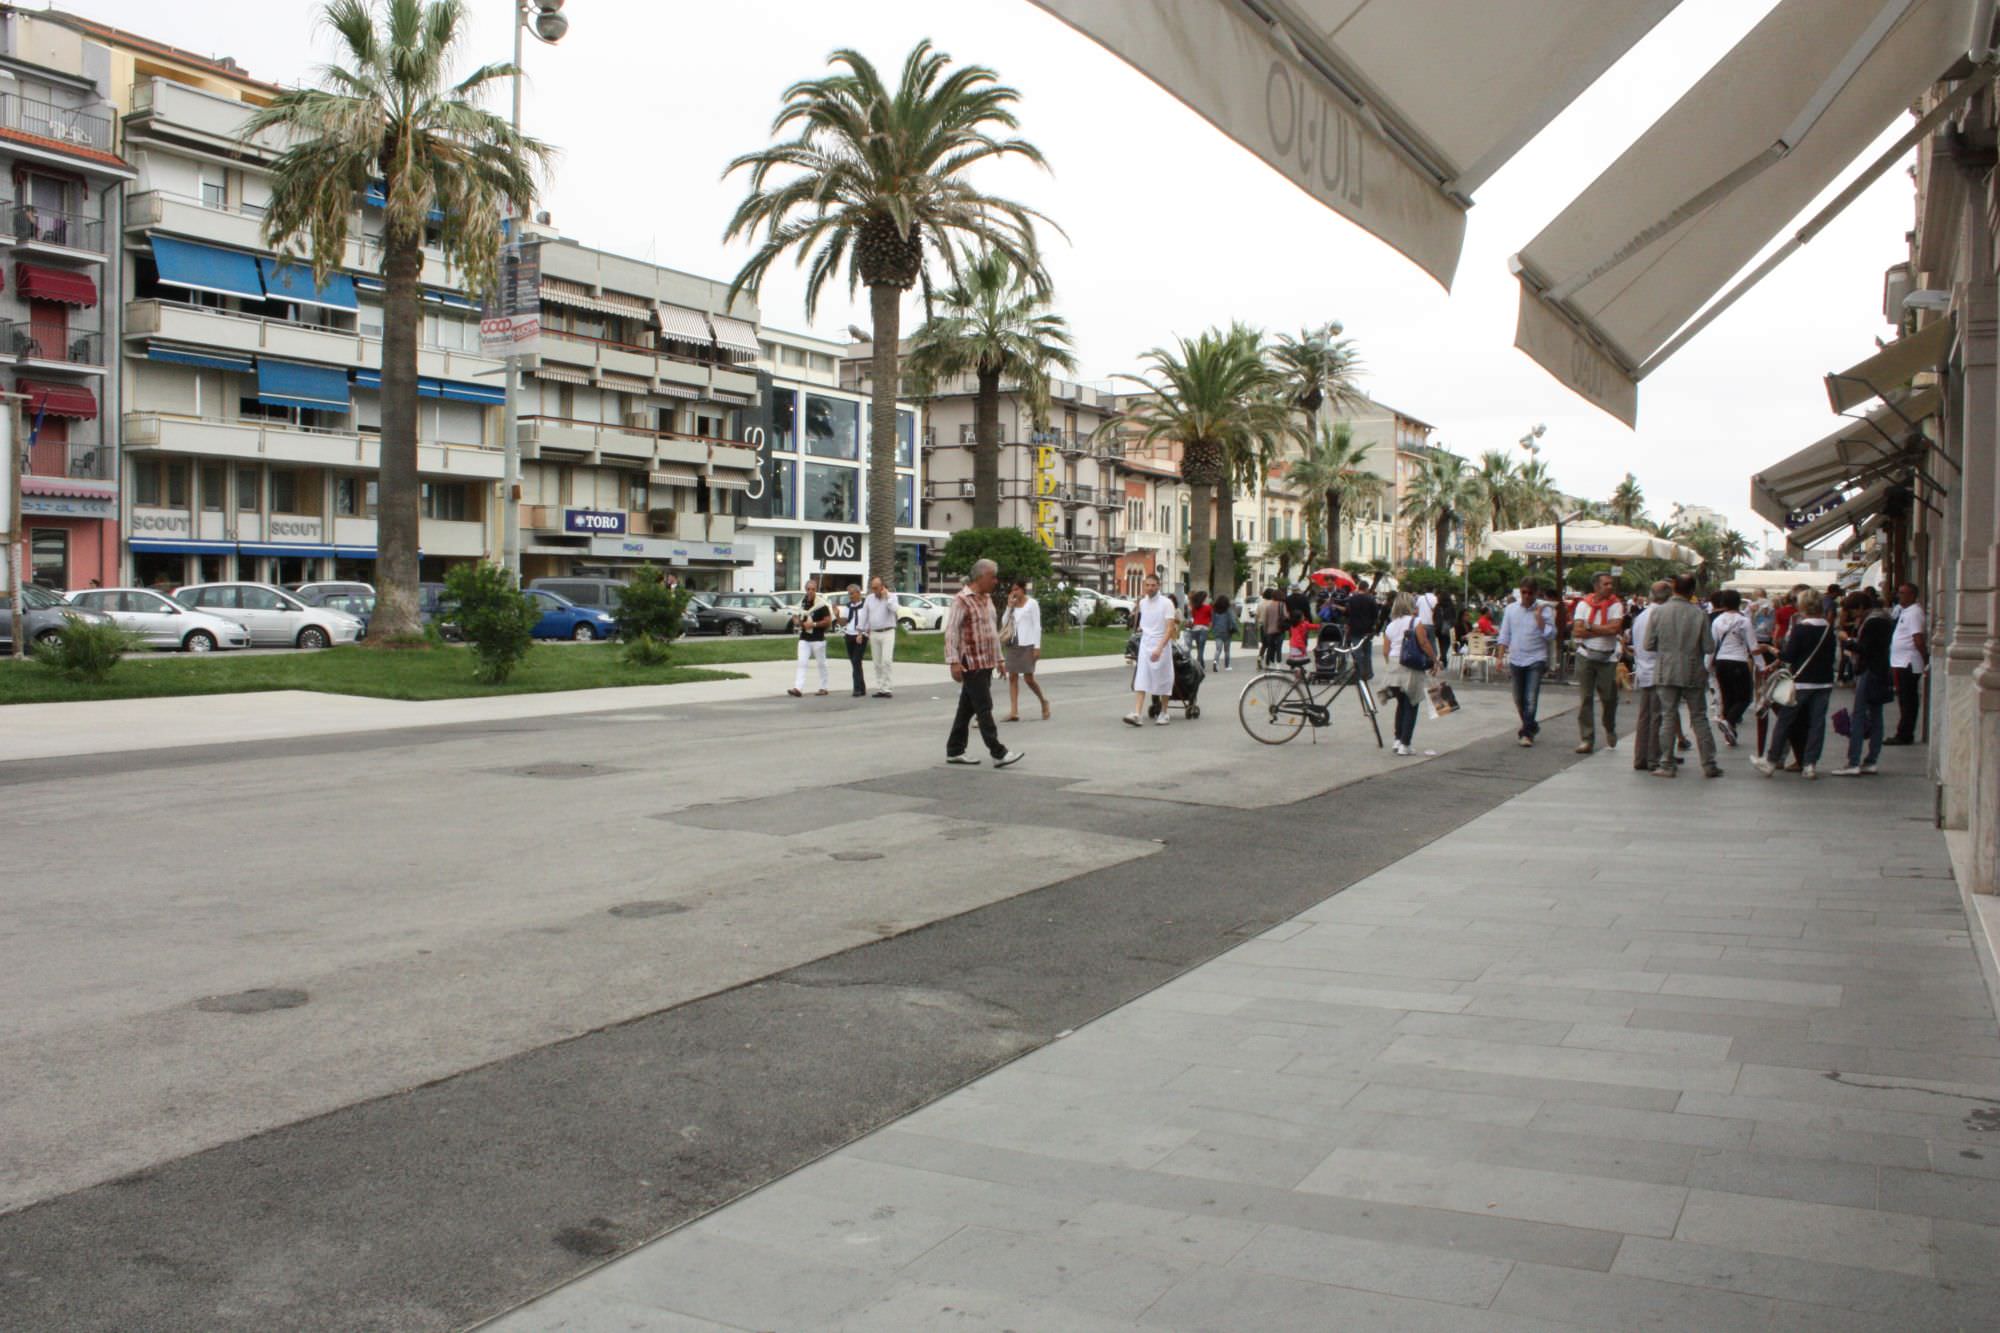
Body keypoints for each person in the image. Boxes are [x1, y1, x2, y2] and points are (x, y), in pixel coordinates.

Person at [1643, 574, 1724, 779]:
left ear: (1674, 589)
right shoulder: (1699, 614)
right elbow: (1708, 646)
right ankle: (1709, 763)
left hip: (1666, 670)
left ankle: (1666, 763)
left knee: (1668, 716)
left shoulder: (1658, 612)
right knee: (1699, 717)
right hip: (1693, 670)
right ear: (1692, 591)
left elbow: (1648, 645)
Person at [943, 559, 1022, 769]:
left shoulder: (987, 599)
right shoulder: (962, 600)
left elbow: (992, 633)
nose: (996, 581)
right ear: (980, 577)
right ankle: (998, 752)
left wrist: (1000, 659)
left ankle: (955, 749)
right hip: (971, 662)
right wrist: (953, 662)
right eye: (992, 577)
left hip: (986, 661)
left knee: (966, 708)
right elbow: (951, 632)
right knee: (984, 707)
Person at [1752, 588, 1838, 779]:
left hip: (1801, 682)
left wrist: (1770, 649)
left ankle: (1771, 760)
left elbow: (1788, 656)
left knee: (1785, 720)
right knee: (1817, 723)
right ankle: (1810, 764)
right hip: (1823, 682)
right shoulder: (1828, 629)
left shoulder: (1801, 629)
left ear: (1803, 606)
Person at [1834, 589, 1893, 776]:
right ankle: (1871, 759)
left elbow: (1864, 648)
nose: (1851, 615)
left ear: (1860, 607)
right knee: (1876, 715)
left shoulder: (1872, 621)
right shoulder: (1884, 618)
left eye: (1852, 611)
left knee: (1859, 715)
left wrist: (1847, 640)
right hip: (1881, 670)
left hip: (1869, 670)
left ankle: (1853, 761)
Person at [1495, 577, 1555, 746]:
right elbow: (1504, 634)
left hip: (1536, 658)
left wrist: (1540, 621)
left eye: (1530, 593)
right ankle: (1531, 724)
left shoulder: (1544, 610)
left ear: (1536, 593)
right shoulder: (1511, 609)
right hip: (1516, 658)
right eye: (1524, 592)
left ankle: (1526, 733)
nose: (1527, 596)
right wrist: (1500, 657)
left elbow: (1551, 635)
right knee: (1518, 698)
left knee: (1531, 697)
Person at [1571, 571, 1624, 754]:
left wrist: (1590, 627)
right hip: (1586, 655)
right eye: (1606, 584)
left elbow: (1615, 629)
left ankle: (1609, 727)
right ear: (1596, 586)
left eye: (1611, 584)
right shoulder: (1583, 605)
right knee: (1585, 698)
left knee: (1609, 698)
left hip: (1607, 657)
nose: (1610, 587)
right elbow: (1577, 631)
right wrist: (1604, 629)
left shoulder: (1616, 605)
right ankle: (1586, 738)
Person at [1381, 591, 1435, 758]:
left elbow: (1385, 650)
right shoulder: (1416, 622)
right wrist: (1435, 659)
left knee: (1401, 703)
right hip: (1410, 667)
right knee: (1412, 704)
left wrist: (1390, 664)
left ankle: (1397, 739)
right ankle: (1405, 743)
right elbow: (1424, 643)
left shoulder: (1390, 625)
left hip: (1394, 666)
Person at [1126, 573, 1179, 727]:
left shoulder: (1167, 603)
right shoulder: (1142, 603)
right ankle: (1137, 713)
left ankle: (1164, 712)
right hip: (1145, 644)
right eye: (1147, 585)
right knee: (1141, 678)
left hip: (1161, 644)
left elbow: (1170, 629)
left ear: (1159, 585)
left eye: (1153, 585)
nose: (1150, 588)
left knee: (1163, 678)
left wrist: (1159, 648)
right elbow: (1143, 625)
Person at [1629, 581, 1670, 774]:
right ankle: (1654, 758)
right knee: (1656, 717)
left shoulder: (1641, 616)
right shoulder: (1661, 616)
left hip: (1643, 669)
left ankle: (1640, 757)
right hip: (1658, 671)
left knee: (1644, 716)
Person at [1708, 589, 1755, 746]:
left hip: (1721, 661)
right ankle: (1729, 721)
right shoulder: (1744, 621)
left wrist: (1707, 665)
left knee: (1728, 697)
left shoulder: (1717, 621)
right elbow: (1753, 646)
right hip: (1739, 661)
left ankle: (1730, 733)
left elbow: (1712, 646)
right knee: (1744, 697)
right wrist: (1762, 665)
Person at [1886, 581, 1927, 745]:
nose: (1899, 595)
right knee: (1904, 698)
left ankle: (1905, 733)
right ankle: (1903, 731)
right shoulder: (1905, 611)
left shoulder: (1914, 613)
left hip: (1908, 662)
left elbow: (1917, 638)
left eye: (1903, 593)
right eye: (1899, 592)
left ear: (1912, 595)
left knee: (1908, 699)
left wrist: (1925, 659)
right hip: (1900, 662)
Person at [1000, 580, 1048, 722]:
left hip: (1028, 644)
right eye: (1012, 589)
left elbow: (1036, 626)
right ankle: (1014, 712)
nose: (1014, 592)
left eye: (1017, 589)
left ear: (1023, 589)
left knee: (1029, 679)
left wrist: (1037, 647)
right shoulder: (1013, 605)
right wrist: (1009, 607)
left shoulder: (1032, 603)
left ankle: (1043, 701)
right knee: (1013, 677)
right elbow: (1004, 622)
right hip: (1013, 644)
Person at [785, 579, 831, 697]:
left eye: (813, 589)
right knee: (802, 662)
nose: (810, 592)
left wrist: (814, 624)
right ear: (805, 590)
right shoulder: (803, 603)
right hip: (804, 637)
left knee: (821, 664)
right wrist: (797, 621)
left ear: (816, 590)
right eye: (808, 589)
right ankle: (798, 688)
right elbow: (796, 616)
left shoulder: (821, 604)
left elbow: (828, 621)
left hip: (818, 638)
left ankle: (823, 687)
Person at [858, 575, 899, 697]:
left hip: (888, 632)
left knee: (886, 660)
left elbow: (895, 609)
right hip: (874, 633)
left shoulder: (891, 597)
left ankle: (887, 688)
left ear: (882, 587)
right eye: (872, 588)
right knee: (877, 662)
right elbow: (864, 615)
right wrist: (860, 631)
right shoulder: (869, 599)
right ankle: (880, 687)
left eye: (876, 588)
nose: (874, 591)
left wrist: (887, 598)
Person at [838, 582, 869, 697]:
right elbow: (843, 622)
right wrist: (837, 616)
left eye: (852, 594)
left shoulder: (865, 606)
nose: (850, 596)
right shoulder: (848, 607)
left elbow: (868, 621)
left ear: (858, 593)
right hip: (849, 635)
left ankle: (857, 688)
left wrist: (864, 633)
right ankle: (862, 687)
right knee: (855, 663)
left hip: (861, 635)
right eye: (849, 594)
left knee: (856, 660)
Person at [1343, 580, 1378, 680]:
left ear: (1359, 588)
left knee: (1357, 652)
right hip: (1367, 629)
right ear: (1366, 588)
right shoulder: (1371, 599)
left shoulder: (1352, 599)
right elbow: (1375, 614)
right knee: (1367, 652)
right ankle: (1368, 673)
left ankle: (1359, 673)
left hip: (1355, 629)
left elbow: (1347, 613)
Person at [1258, 586, 1286, 668]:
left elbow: (1263, 618)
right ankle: (1278, 664)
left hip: (1268, 629)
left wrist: (1265, 629)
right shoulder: (1281, 605)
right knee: (1278, 647)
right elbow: (1286, 616)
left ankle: (1266, 662)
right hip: (1280, 629)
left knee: (1268, 646)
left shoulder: (1266, 605)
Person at [1209, 595, 1237, 672]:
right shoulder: (1228, 610)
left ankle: (1215, 662)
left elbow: (1213, 621)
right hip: (1227, 632)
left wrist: (1213, 629)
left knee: (1218, 649)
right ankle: (1227, 666)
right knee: (1227, 650)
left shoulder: (1214, 610)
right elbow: (1232, 620)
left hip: (1217, 631)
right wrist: (1235, 628)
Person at [1187, 590, 1212, 668]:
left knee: (1199, 647)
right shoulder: (1208, 607)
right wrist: (1210, 626)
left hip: (1196, 629)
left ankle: (1202, 663)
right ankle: (1198, 665)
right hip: (1204, 629)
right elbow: (1211, 618)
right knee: (1201, 648)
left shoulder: (1195, 607)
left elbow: (1193, 617)